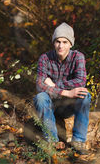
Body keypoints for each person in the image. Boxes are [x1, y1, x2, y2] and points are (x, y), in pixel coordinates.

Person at [33, 22, 91, 154]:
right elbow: (40, 85)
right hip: (51, 105)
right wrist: (66, 92)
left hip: (69, 106)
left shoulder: (78, 57)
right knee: (40, 97)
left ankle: (79, 141)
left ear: (71, 43)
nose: (61, 45)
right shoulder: (45, 58)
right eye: (58, 41)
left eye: (65, 42)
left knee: (85, 95)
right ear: (53, 42)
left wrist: (53, 85)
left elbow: (81, 81)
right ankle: (52, 142)